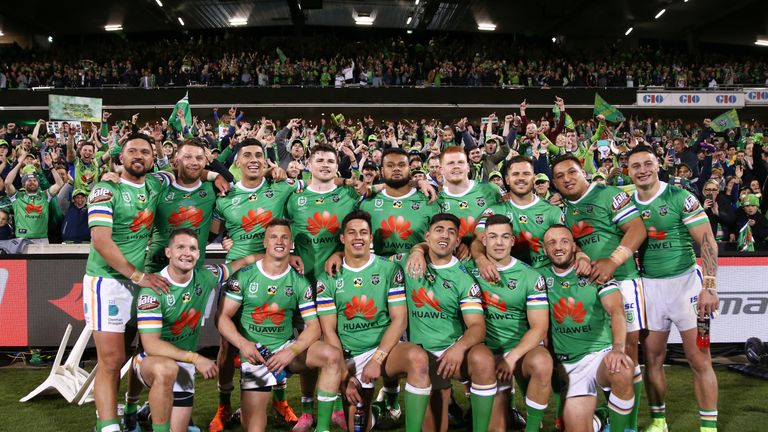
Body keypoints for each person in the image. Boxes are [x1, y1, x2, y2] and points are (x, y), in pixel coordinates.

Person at [83, 133, 175, 432]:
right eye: (132, 151)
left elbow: (185, 168)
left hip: (137, 282)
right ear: (119, 157)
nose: (139, 155)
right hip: (107, 282)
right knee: (112, 359)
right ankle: (107, 425)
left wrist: (216, 175)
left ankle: (129, 408)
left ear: (152, 158)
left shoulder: (154, 183)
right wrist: (138, 276)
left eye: (145, 152)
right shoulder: (104, 189)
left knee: (137, 349)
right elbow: (101, 241)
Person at [209, 138, 302, 431]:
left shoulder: (282, 188)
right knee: (227, 345)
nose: (253, 159)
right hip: (238, 277)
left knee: (283, 336)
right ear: (236, 162)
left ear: (266, 161)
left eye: (258, 155)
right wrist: (212, 176)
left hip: (280, 272)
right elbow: (211, 233)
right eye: (246, 154)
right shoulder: (223, 198)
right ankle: (223, 406)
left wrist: (284, 173)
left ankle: (280, 399)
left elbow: (322, 187)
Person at [217, 219, 344, 432]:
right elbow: (222, 318)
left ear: (291, 243)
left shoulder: (299, 281)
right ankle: (243, 408)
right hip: (256, 357)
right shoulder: (244, 276)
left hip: (286, 351)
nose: (280, 241)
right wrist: (243, 344)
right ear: (265, 242)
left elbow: (313, 327)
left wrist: (291, 351)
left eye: (285, 237)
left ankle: (322, 428)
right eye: (274, 237)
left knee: (331, 355)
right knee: (254, 428)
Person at [626, 145, 720, 432]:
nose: (642, 170)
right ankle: (658, 421)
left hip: (686, 287)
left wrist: (710, 286)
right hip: (649, 288)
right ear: (627, 171)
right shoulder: (624, 202)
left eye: (647, 164)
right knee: (652, 359)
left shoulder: (679, 196)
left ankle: (707, 427)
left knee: (699, 358)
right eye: (635, 166)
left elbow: (707, 241)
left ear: (658, 166)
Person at [551, 154, 647, 430]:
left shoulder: (609, 194)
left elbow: (637, 229)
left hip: (623, 279)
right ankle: (603, 413)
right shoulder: (563, 210)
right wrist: (580, 253)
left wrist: (613, 261)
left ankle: (628, 424)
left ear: (584, 172)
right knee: (597, 351)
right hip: (589, 287)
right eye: (560, 176)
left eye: (572, 172)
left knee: (626, 351)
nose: (567, 179)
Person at [316, 210, 432, 432]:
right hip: (348, 356)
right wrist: (344, 374)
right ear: (342, 238)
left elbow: (399, 320)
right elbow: (329, 331)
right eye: (351, 233)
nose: (358, 237)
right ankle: (377, 411)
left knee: (418, 358)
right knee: (358, 427)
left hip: (384, 352)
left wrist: (377, 359)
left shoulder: (389, 269)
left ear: (371, 238)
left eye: (363, 232)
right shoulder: (327, 278)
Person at [133, 228, 256, 432]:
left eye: (192, 248)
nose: (186, 253)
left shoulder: (206, 276)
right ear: (168, 252)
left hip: (184, 365)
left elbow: (242, 262)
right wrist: (196, 358)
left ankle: (153, 409)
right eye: (180, 247)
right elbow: (151, 344)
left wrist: (283, 257)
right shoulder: (153, 289)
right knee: (167, 369)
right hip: (149, 361)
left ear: (198, 254)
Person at [285, 143, 361, 430]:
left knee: (339, 344)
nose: (326, 164)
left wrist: (340, 253)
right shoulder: (294, 197)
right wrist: (291, 252)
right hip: (303, 283)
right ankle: (307, 410)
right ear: (308, 163)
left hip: (339, 283)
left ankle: (339, 407)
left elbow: (358, 236)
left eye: (331, 160)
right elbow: (279, 230)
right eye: (320, 160)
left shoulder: (349, 196)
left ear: (337, 166)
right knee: (310, 348)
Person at [403, 213, 496, 432]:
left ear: (457, 242)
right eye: (439, 230)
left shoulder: (464, 278)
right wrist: (417, 250)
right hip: (420, 357)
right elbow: (365, 261)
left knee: (482, 358)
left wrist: (459, 347)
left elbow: (477, 326)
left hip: (452, 353)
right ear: (427, 236)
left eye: (451, 232)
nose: (445, 235)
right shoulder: (407, 262)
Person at [540, 224, 635, 432]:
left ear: (575, 247)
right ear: (544, 249)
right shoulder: (538, 278)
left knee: (623, 368)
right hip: (569, 365)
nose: (558, 247)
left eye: (564, 241)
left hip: (598, 355)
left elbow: (617, 311)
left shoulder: (595, 272)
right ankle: (602, 416)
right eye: (552, 243)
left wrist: (618, 348)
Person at [466, 214, 552, 432]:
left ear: (513, 241)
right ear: (483, 240)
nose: (499, 242)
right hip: (486, 355)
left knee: (543, 362)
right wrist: (419, 250)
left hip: (520, 352)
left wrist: (512, 358)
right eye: (493, 237)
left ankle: (532, 428)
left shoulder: (530, 275)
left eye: (505, 237)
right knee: (496, 429)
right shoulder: (467, 272)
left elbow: (540, 327)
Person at [144, 139, 219, 273]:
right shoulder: (159, 188)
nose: (194, 162)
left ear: (205, 161)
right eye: (187, 157)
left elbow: (222, 217)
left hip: (193, 274)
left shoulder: (213, 189)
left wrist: (209, 239)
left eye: (199, 158)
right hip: (156, 273)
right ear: (176, 160)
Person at [437, 146, 502, 249]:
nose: (456, 166)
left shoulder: (491, 190)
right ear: (441, 169)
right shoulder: (436, 199)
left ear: (467, 166)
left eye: (460, 162)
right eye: (450, 163)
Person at [5, 148, 64, 243]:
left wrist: (51, 167)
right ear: (23, 184)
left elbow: (59, 184)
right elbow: (7, 182)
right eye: (29, 180)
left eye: (35, 180)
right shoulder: (17, 196)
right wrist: (19, 163)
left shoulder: (45, 195)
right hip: (22, 239)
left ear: (38, 183)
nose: (32, 182)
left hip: (42, 239)